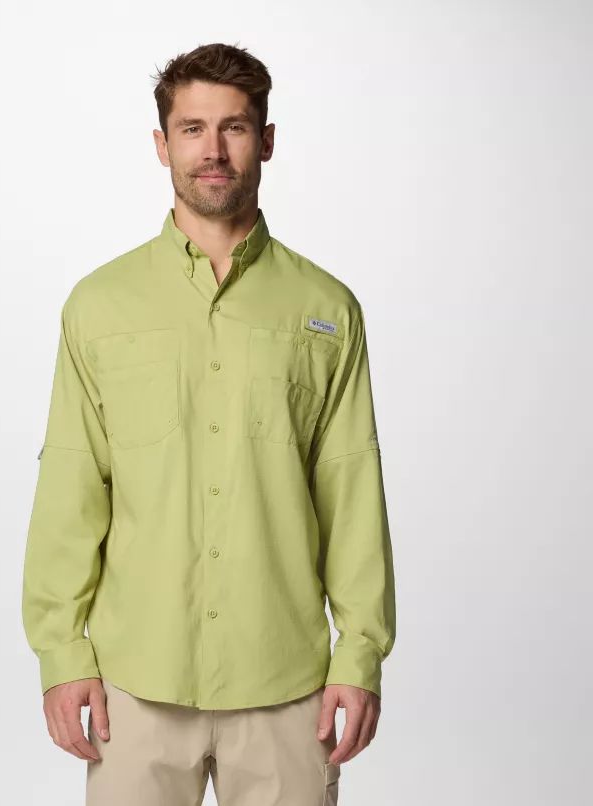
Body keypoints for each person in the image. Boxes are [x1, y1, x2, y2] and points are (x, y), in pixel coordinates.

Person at [21, 41, 396, 805]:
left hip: (288, 685)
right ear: (162, 145)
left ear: (266, 140)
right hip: (136, 684)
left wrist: (359, 656)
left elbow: (351, 490)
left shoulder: (326, 310)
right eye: (192, 129)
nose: (213, 150)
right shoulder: (100, 306)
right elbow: (71, 483)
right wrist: (62, 653)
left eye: (234, 127)